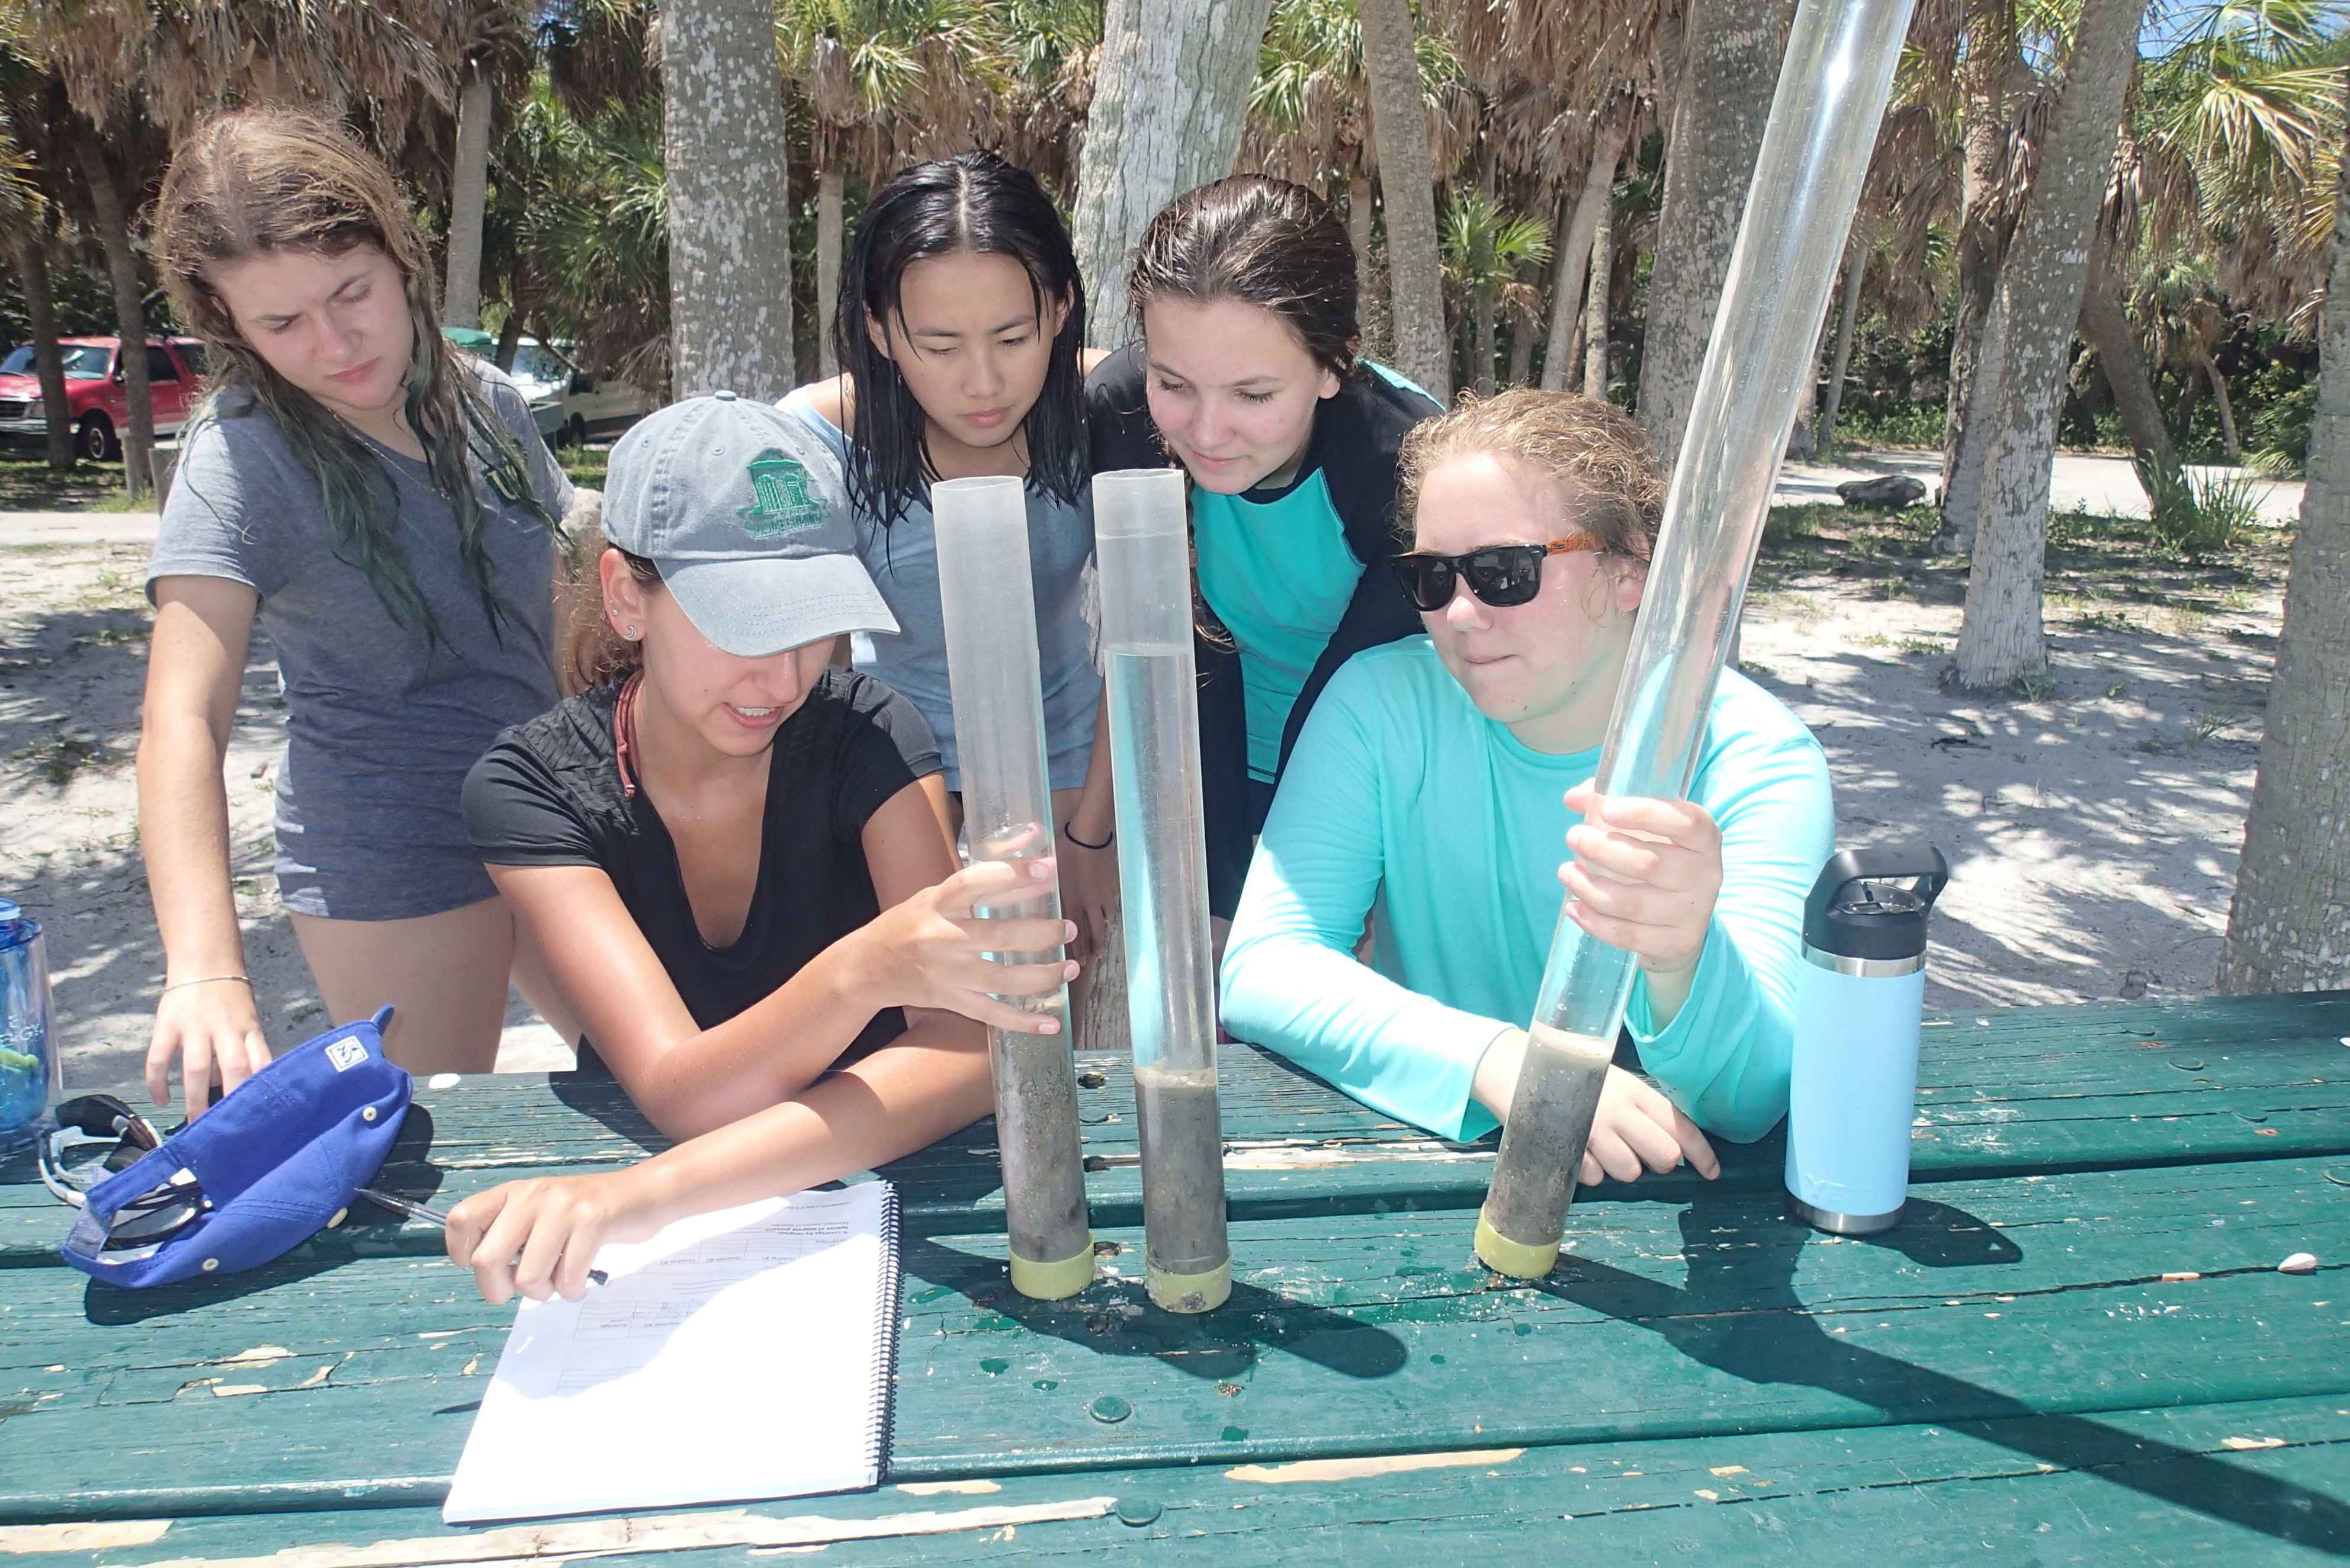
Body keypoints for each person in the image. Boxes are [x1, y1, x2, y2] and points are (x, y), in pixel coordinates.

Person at [447, 393, 1073, 1299]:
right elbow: (680, 1091)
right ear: (628, 596)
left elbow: (976, 1053)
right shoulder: (529, 789)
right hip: (658, 1262)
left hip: (892, 1220)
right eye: (737, 622)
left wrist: (643, 1197)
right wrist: (867, 972)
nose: (781, 676)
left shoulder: (869, 735)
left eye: (812, 622)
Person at [1218, 390, 1834, 1184]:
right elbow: (1263, 967)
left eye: (1505, 572)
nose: (1462, 615)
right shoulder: (1377, 705)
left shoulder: (1754, 758)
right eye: (1432, 578)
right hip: (1434, 1170)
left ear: (1629, 572)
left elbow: (1751, 1099)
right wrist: (1501, 1063)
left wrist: (1683, 955)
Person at [140, 109, 576, 1113]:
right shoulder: (241, 458)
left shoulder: (491, 405)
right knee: (433, 1143)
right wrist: (206, 966)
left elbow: (572, 609)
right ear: (224, 320)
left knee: (670, 1083)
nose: (336, 346)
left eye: (353, 293)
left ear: (398, 253)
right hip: (392, 847)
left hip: (560, 814)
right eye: (282, 323)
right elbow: (181, 716)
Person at [778, 152, 1117, 973]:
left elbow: (1160, 628)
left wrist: (1092, 834)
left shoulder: (1113, 406)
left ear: (1063, 307)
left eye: (1014, 336)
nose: (984, 382)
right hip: (889, 765)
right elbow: (806, 682)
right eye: (939, 344)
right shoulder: (815, 438)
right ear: (879, 330)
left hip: (1068, 760)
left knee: (1049, 1011)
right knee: (940, 1021)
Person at [1087, 175, 1443, 922]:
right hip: (1212, 763)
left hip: (1371, 779)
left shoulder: (1408, 468)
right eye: (1173, 382)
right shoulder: (1119, 409)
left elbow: (1360, 696)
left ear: (1332, 367)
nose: (1207, 433)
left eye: (1252, 395)